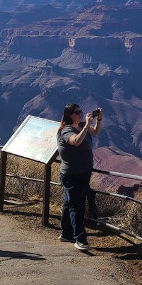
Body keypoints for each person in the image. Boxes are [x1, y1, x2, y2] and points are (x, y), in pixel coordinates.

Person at [56, 103, 103, 251]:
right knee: (78, 206)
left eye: (81, 111)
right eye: (77, 112)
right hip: (72, 174)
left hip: (82, 172)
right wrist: (86, 125)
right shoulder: (66, 130)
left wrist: (98, 120)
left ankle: (66, 233)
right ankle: (80, 239)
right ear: (69, 115)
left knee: (69, 203)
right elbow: (75, 141)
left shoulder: (82, 125)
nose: (80, 114)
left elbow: (95, 132)